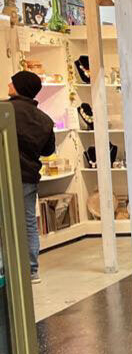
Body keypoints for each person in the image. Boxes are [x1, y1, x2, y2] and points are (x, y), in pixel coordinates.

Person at [8, 70, 55, 282]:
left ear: (20, 87)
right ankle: (32, 269)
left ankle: (5, 268)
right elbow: (48, 151)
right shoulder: (44, 120)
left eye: (12, 82)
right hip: (28, 175)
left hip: (6, 173)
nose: (9, 85)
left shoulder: (6, 111)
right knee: (28, 222)